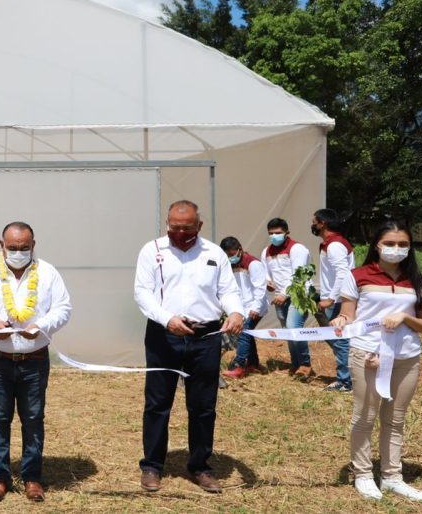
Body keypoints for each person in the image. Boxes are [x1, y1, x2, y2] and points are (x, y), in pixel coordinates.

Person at [133, 200, 244, 494]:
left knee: (203, 406)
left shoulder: (214, 253)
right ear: (167, 224)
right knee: (158, 403)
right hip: (163, 335)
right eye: (174, 227)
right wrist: (166, 319)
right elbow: (142, 293)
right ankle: (152, 466)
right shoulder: (152, 250)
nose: (180, 233)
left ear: (199, 226)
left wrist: (235, 312)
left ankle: (200, 466)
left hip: (205, 337)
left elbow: (228, 291)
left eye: (187, 228)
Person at [0, 222, 72, 503]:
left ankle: (32, 477)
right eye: (13, 248)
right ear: (2, 245)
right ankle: (0, 477)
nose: (19, 252)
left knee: (33, 419)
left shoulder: (47, 273)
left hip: (34, 360)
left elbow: (63, 307)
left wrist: (42, 325)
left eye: (24, 248)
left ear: (33, 245)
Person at [330, 220, 422, 503]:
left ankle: (392, 477)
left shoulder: (416, 280)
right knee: (365, 416)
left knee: (396, 419)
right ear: (376, 245)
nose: (396, 249)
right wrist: (341, 319)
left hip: (406, 357)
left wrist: (406, 318)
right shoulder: (358, 275)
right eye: (389, 243)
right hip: (368, 355)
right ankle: (363, 474)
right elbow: (349, 314)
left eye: (403, 244)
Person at [261, 218, 314, 379]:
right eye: (271, 234)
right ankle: (296, 363)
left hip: (299, 295)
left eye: (278, 233)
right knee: (288, 331)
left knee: (293, 327)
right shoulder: (266, 252)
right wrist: (267, 281)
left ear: (287, 233)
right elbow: (265, 271)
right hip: (279, 296)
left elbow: (298, 276)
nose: (274, 236)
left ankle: (305, 364)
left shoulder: (297, 249)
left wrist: (285, 294)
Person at [312, 208, 355, 393]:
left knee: (341, 341)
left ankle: (346, 382)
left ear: (323, 223)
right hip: (335, 298)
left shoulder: (335, 245)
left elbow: (343, 273)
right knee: (339, 341)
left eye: (314, 221)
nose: (312, 224)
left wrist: (330, 299)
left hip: (337, 300)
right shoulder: (329, 243)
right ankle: (349, 377)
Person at [221, 236, 267, 379]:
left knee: (244, 333)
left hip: (254, 306)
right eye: (227, 255)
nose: (230, 258)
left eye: (232, 254)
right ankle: (253, 363)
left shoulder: (253, 264)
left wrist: (256, 308)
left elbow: (260, 288)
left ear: (239, 249)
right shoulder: (229, 266)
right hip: (241, 307)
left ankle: (239, 366)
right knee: (248, 333)